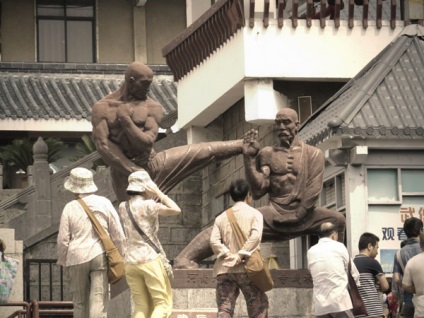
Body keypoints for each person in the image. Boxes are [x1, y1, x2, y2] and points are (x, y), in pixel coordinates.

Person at [174, 108, 346, 268]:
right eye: (278, 123)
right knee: (227, 224)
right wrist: (249, 160)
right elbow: (258, 190)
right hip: (275, 213)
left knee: (337, 220)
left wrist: (297, 215)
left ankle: (338, 267)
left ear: (297, 125)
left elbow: (313, 189)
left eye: (286, 122)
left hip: (305, 213)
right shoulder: (267, 154)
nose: (281, 127)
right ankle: (185, 259)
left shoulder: (313, 154)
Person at [91, 61, 244, 203]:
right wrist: (133, 170)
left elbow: (147, 142)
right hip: (124, 173)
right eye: (144, 84)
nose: (148, 89)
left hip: (152, 162)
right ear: (131, 81)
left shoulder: (152, 107)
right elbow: (103, 145)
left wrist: (126, 122)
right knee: (134, 217)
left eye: (150, 84)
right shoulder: (103, 109)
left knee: (199, 152)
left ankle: (242, 145)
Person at [57, 167, 126, 318]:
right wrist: (121, 254)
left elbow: (63, 240)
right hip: (99, 254)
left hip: (75, 258)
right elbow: (118, 234)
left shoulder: (70, 207)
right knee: (98, 300)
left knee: (80, 302)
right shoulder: (105, 203)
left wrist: (64, 262)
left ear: (74, 188)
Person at [118, 170, 181, 318]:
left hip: (130, 262)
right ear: (146, 187)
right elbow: (176, 209)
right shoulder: (148, 205)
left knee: (140, 305)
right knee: (162, 303)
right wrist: (159, 193)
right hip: (149, 259)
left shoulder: (122, 207)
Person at [210, 179, 268, 318]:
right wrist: (240, 255)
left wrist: (227, 253)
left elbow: (213, 240)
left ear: (231, 196)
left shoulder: (221, 217)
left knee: (225, 309)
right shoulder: (255, 214)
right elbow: (255, 237)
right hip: (248, 269)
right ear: (248, 195)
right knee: (258, 308)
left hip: (225, 268)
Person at [307, 221, 359, 318]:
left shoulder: (311, 251)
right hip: (340, 302)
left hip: (320, 306)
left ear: (319, 236)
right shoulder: (339, 247)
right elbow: (354, 273)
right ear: (334, 235)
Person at [392, 217, 423, 318]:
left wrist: (411, 289)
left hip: (409, 300)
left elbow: (396, 279)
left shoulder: (399, 253)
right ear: (421, 231)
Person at [353, 232, 389, 318]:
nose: (377, 252)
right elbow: (385, 286)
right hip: (373, 311)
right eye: (376, 248)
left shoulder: (352, 263)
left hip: (357, 312)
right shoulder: (372, 262)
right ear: (370, 246)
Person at [402, 232, 424, 318]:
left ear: (420, 244)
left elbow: (405, 285)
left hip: (421, 308)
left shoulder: (412, 262)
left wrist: (417, 290)